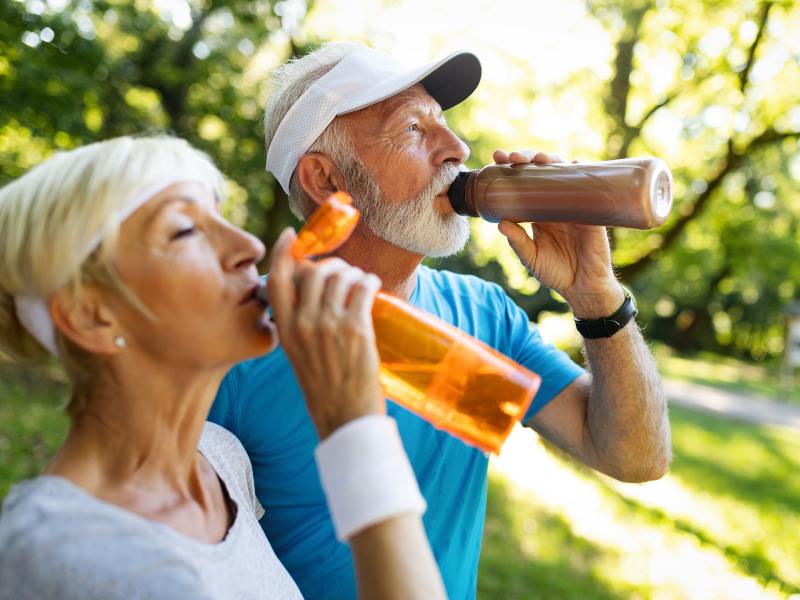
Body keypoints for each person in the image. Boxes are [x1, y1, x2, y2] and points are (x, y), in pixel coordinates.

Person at [209, 42, 672, 600]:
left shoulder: (482, 316)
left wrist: (596, 296)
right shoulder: (230, 342)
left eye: (444, 124)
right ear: (326, 180)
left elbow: (633, 457)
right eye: (412, 129)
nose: (457, 147)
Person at [0, 136, 447, 600]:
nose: (250, 247)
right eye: (184, 231)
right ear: (90, 315)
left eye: (220, 218)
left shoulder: (221, 462)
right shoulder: (66, 553)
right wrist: (353, 429)